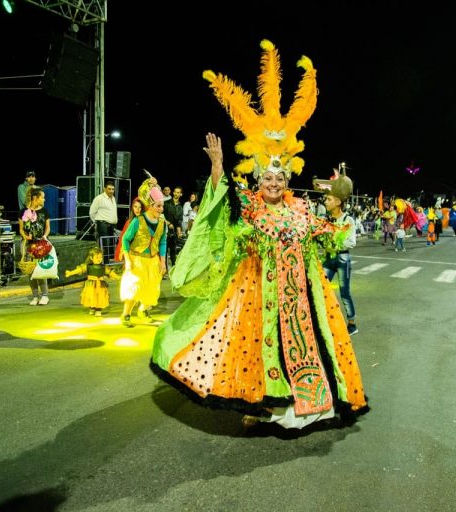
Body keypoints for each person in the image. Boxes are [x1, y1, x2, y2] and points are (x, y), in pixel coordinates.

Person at [151, 40, 368, 430]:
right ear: (258, 179)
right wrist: (217, 168)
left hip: (298, 302)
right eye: (267, 178)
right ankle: (256, 402)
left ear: (286, 179)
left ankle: (302, 401)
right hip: (256, 297)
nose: (273, 183)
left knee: (297, 347)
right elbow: (222, 209)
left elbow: (325, 236)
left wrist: (338, 221)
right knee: (252, 350)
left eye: (278, 178)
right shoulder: (249, 206)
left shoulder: (300, 209)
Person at [118, 178, 167, 327]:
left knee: (152, 288)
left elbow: (162, 242)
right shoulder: (138, 221)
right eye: (158, 206)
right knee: (134, 288)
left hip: (152, 260)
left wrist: (163, 262)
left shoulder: (162, 223)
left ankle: (143, 311)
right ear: (150, 206)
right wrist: (128, 260)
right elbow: (125, 240)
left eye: (162, 206)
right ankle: (126, 315)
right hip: (137, 260)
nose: (161, 209)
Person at [315, 170, 359, 335]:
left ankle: (352, 323)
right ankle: (323, 318)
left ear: (338, 202)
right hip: (328, 258)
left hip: (342, 259)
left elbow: (351, 242)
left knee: (344, 292)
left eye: (329, 199)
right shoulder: (325, 220)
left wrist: (334, 244)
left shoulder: (348, 220)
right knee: (320, 287)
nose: (326, 202)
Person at [64, 246, 120, 317]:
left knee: (100, 296)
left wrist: (118, 277)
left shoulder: (103, 267)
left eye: (100, 257)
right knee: (91, 296)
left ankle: (98, 310)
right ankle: (92, 308)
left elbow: (110, 272)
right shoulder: (87, 266)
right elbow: (80, 270)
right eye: (97, 257)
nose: (99, 259)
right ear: (91, 258)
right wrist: (70, 273)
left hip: (100, 285)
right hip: (90, 285)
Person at [19, 186, 51, 306]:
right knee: (31, 272)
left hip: (40, 245)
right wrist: (25, 236)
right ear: (35, 198)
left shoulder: (44, 211)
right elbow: (21, 229)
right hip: (28, 245)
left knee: (41, 270)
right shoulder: (24, 211)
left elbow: (47, 227)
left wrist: (45, 236)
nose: (44, 199)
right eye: (42, 197)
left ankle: (45, 295)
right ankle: (35, 296)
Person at [89, 181, 118, 262]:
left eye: (112, 189)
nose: (111, 191)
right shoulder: (99, 198)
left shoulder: (113, 198)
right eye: (109, 189)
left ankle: (110, 262)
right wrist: (98, 222)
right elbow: (92, 212)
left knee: (111, 244)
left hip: (111, 225)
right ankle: (105, 263)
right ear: (104, 189)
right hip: (103, 224)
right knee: (105, 244)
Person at [114, 196, 145, 262]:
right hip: (130, 253)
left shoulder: (145, 221)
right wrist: (122, 251)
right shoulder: (129, 222)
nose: (137, 209)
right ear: (132, 208)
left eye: (140, 207)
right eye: (135, 207)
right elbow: (123, 239)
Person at [163, 185, 184, 267]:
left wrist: (179, 233)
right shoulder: (166, 203)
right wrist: (168, 223)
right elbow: (160, 215)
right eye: (175, 192)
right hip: (164, 231)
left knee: (173, 252)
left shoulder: (180, 207)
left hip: (174, 233)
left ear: (181, 194)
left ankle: (174, 269)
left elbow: (179, 223)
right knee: (163, 252)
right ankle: (164, 270)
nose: (176, 194)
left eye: (178, 192)